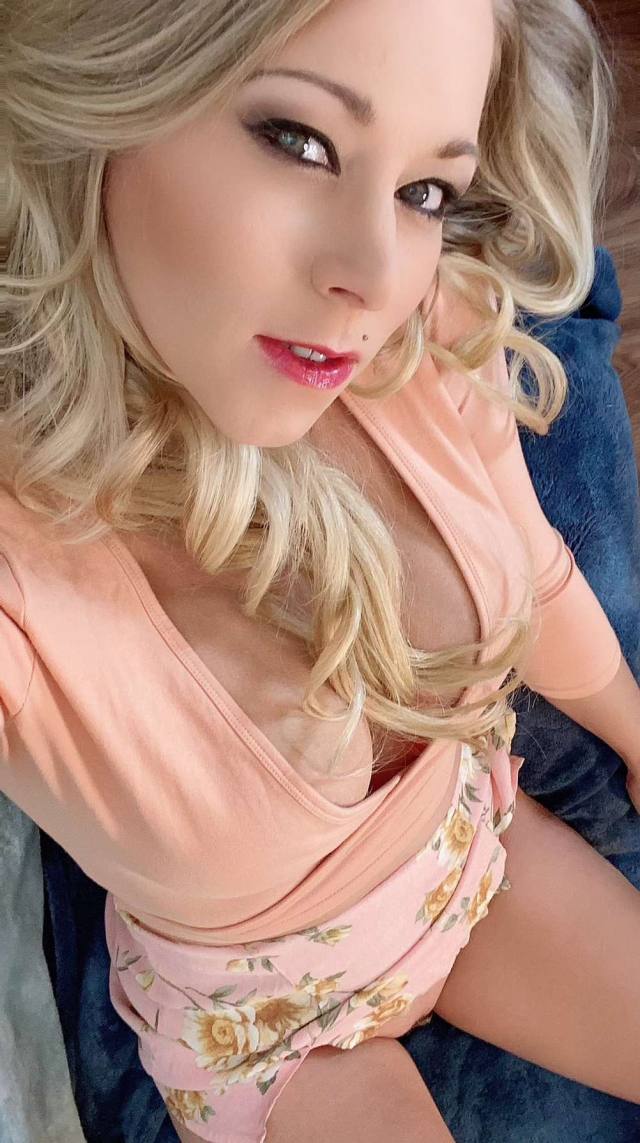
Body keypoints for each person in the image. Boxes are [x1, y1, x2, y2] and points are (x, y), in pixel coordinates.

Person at [2, 4, 639, 1143]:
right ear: (110, 91)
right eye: (298, 140)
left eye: (425, 191)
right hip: (275, 1037)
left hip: (475, 856)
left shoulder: (426, 327)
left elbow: (537, 572)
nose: (374, 274)